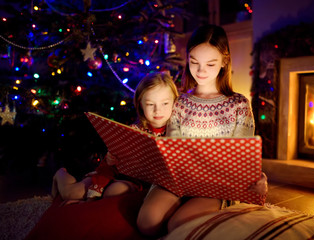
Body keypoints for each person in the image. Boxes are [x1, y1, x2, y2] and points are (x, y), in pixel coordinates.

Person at [137, 24, 268, 236]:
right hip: (178, 181)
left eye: (210, 64)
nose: (200, 71)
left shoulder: (238, 104)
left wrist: (254, 184)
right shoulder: (180, 102)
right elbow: (171, 148)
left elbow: (243, 158)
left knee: (178, 226)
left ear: (225, 61)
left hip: (214, 187)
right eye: (194, 62)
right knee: (147, 222)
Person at [51, 72, 179, 203]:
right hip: (113, 174)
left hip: (137, 184)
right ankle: (61, 174)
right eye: (150, 104)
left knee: (117, 191)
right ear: (140, 104)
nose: (158, 110)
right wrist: (113, 157)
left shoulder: (178, 131)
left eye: (165, 103)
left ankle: (95, 202)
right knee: (70, 193)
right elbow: (112, 159)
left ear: (175, 102)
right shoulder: (134, 131)